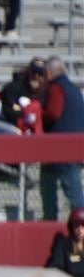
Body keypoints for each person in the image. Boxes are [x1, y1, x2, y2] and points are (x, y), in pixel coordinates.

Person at [40, 55, 84, 220]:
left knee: (59, 194)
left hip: (59, 152)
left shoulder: (56, 88)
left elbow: (53, 113)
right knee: (75, 195)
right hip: (75, 149)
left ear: (49, 73)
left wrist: (38, 112)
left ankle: (50, 227)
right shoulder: (74, 89)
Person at [0, 57, 47, 134]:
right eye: (34, 72)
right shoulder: (14, 89)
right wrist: (24, 115)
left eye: (40, 73)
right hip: (15, 133)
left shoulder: (46, 92)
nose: (36, 76)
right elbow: (8, 112)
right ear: (29, 72)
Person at [45, 206, 84, 277]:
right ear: (71, 227)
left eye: (83, 225)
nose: (80, 230)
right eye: (76, 225)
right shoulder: (64, 246)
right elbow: (54, 270)